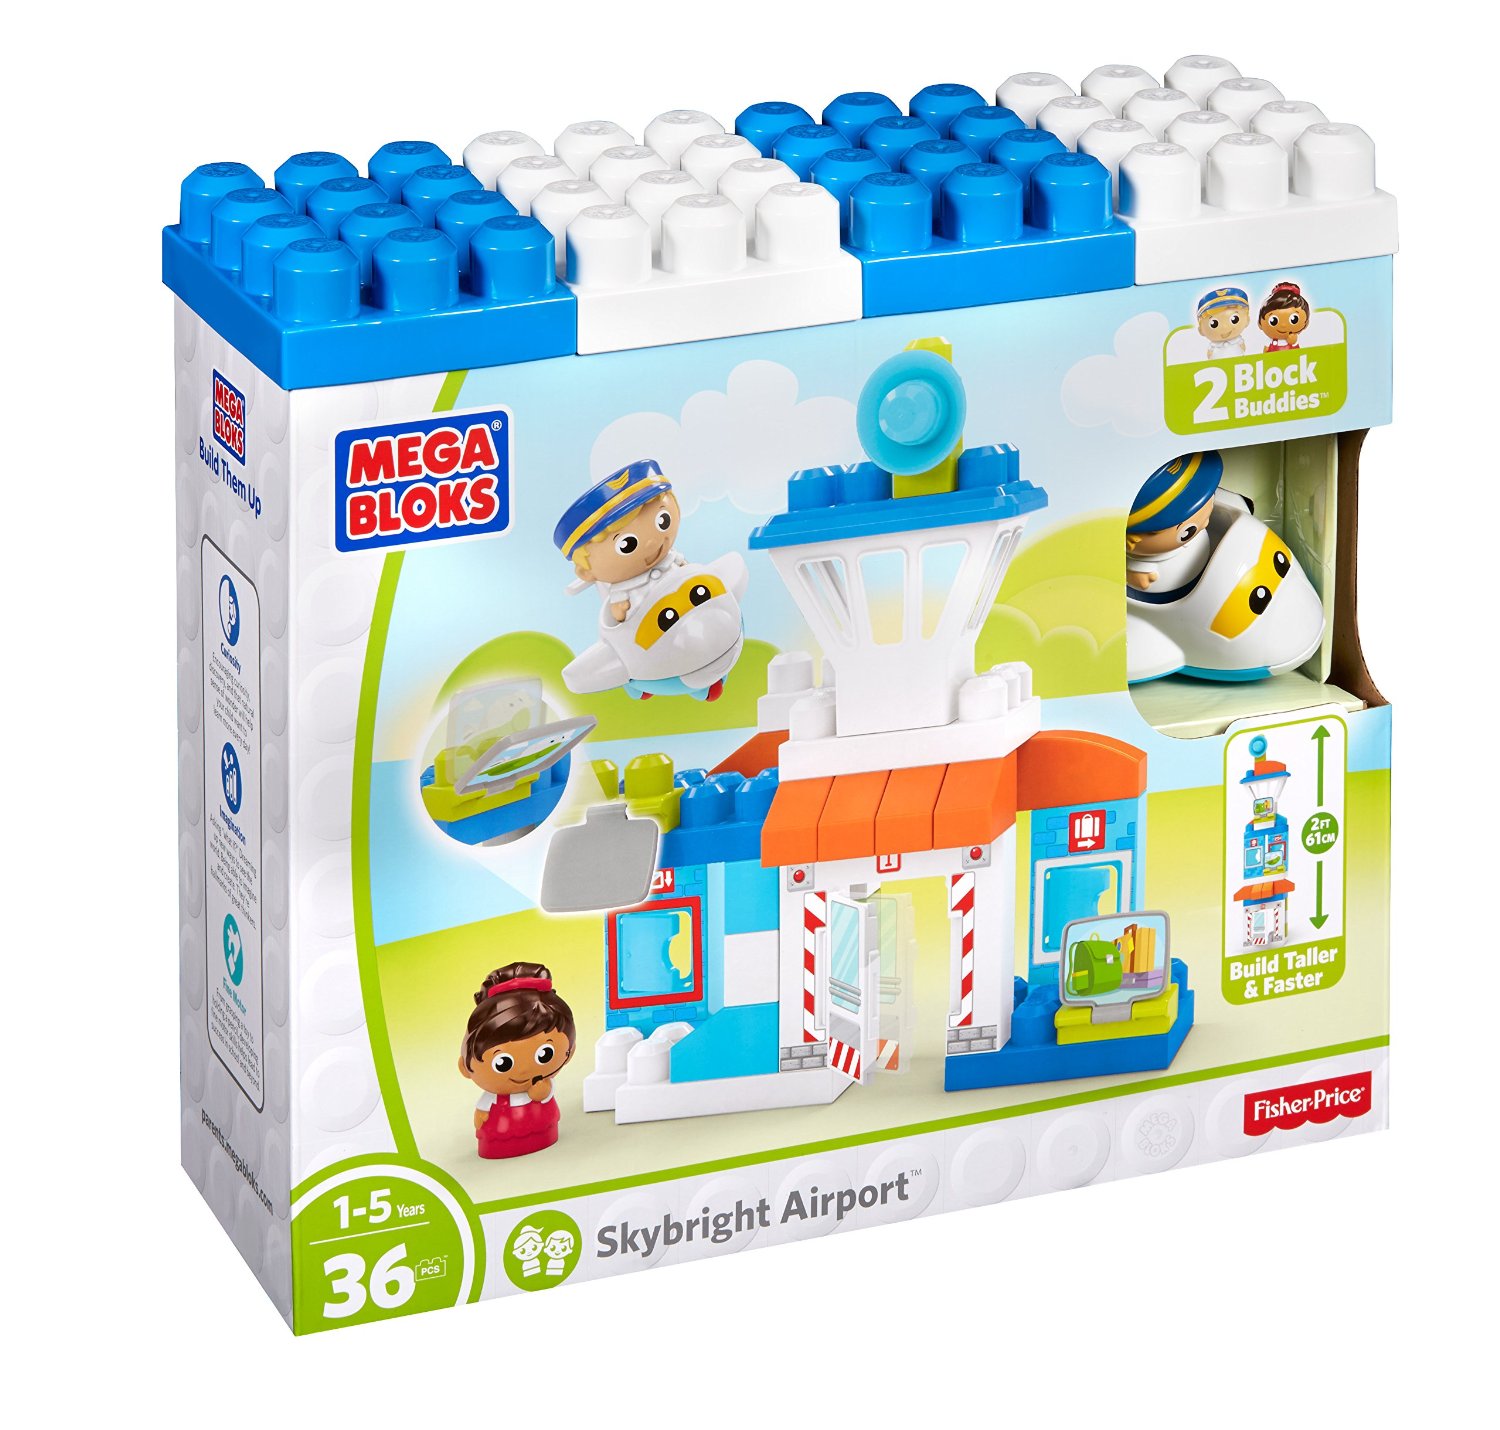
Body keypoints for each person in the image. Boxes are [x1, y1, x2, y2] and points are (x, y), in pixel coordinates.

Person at [458, 962, 575, 1159]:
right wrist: (481, 1115)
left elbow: (545, 1094)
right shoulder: (493, 1096)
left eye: (545, 1054)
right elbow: (483, 1108)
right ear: (465, 1067)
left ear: (570, 1051)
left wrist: (543, 1091)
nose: (523, 1071)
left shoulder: (542, 1086)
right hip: (499, 1135)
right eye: (502, 1063)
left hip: (543, 1126)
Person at [1125, 451, 1225, 599]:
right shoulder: (1141, 566)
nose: (1206, 523)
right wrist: (1133, 576)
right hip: (1171, 596)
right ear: (1132, 540)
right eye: (1187, 530)